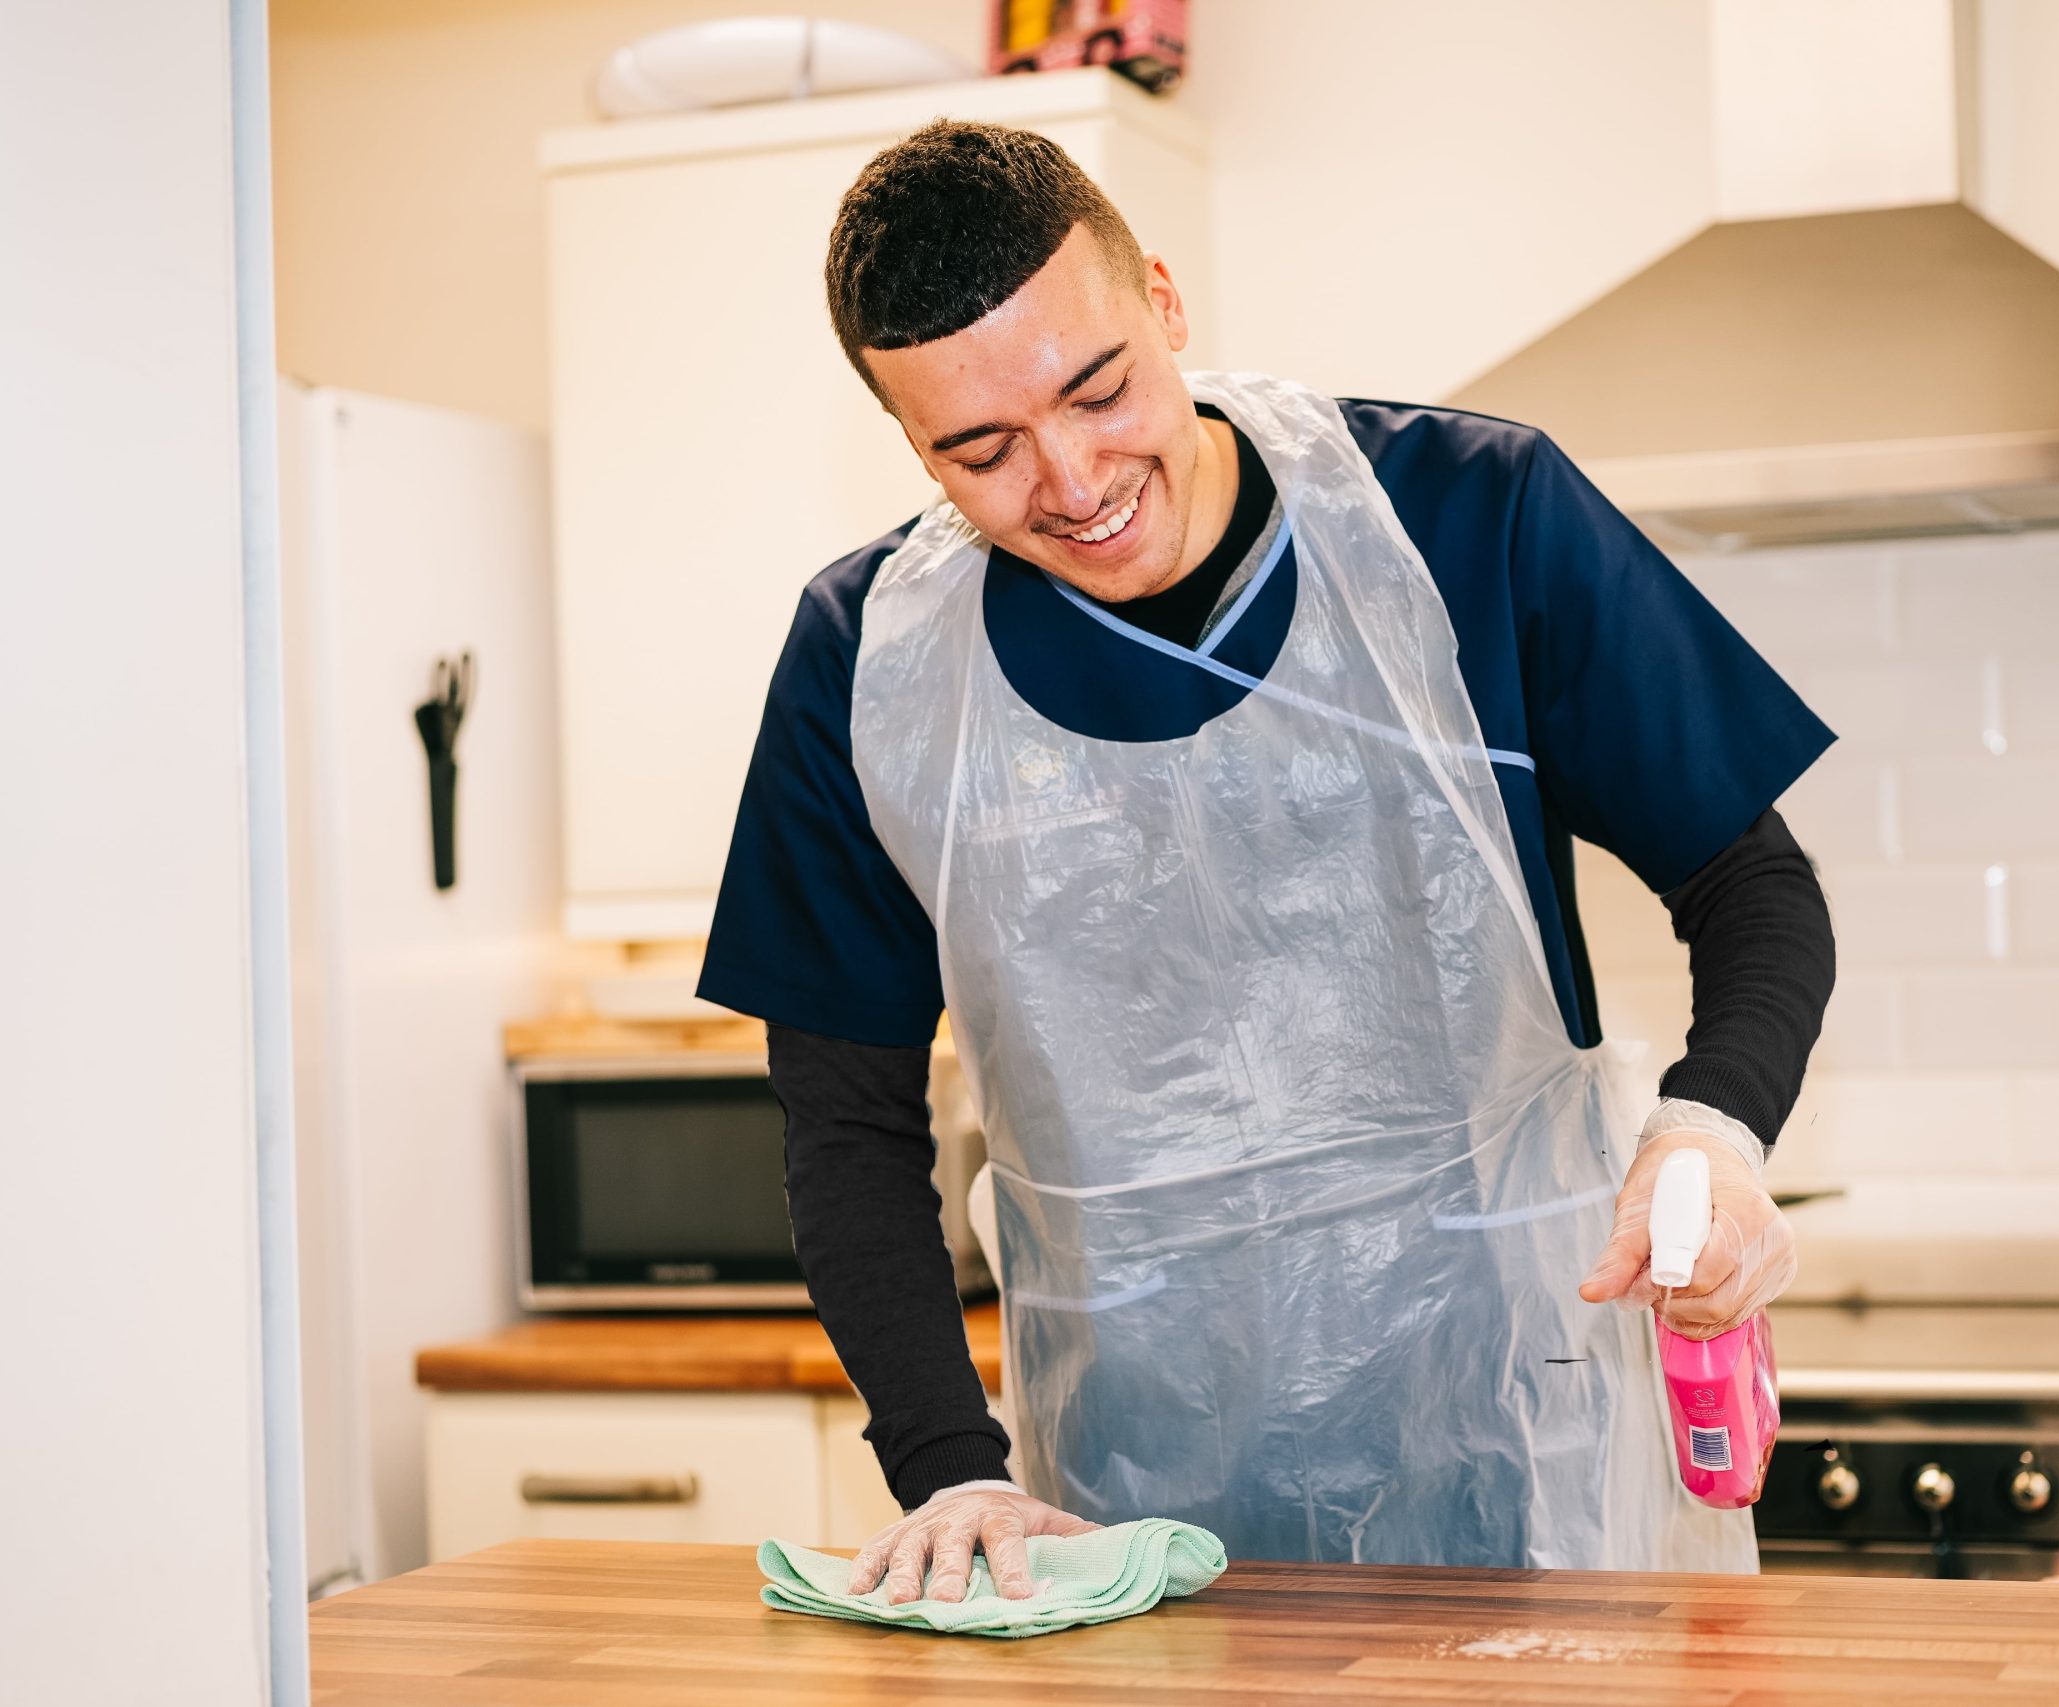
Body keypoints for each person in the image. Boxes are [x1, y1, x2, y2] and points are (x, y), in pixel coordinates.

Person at [699, 121, 1836, 1602]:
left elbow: (1752, 885)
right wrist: (947, 1463)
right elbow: (844, 1119)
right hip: (1128, 1509)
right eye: (978, 450)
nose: (1070, 480)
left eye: (1097, 389)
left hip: (1533, 1457)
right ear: (912, 444)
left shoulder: (1468, 521)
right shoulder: (870, 664)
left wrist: (1715, 1132)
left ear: (1163, 302)